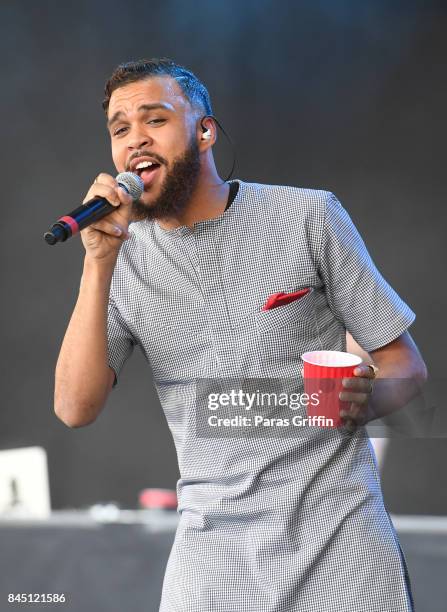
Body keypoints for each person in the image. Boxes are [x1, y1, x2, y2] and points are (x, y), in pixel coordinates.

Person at [54, 58, 427, 612]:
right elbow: (74, 407)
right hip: (212, 560)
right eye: (120, 128)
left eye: (154, 120)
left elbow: (405, 368)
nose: (135, 140)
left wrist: (358, 403)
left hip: (342, 550)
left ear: (204, 130)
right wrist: (97, 263)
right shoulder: (121, 261)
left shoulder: (308, 216)